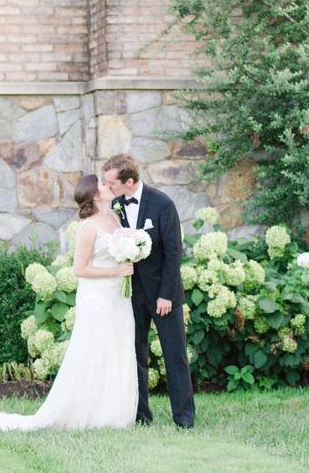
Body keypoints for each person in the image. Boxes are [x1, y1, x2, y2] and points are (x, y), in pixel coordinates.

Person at [0, 174, 137, 431]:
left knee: (118, 346)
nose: (109, 185)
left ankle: (116, 414)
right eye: (103, 184)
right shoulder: (88, 227)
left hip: (118, 296)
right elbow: (79, 269)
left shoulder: (115, 218)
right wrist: (115, 272)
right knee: (95, 350)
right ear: (94, 195)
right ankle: (90, 413)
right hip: (97, 296)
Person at [103, 153, 195, 429]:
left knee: (174, 353)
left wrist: (166, 294)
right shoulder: (115, 206)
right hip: (131, 293)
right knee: (135, 354)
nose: (108, 188)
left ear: (129, 181)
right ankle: (141, 415)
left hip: (163, 294)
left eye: (111, 183)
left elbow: (174, 252)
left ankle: (184, 417)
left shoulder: (162, 204)